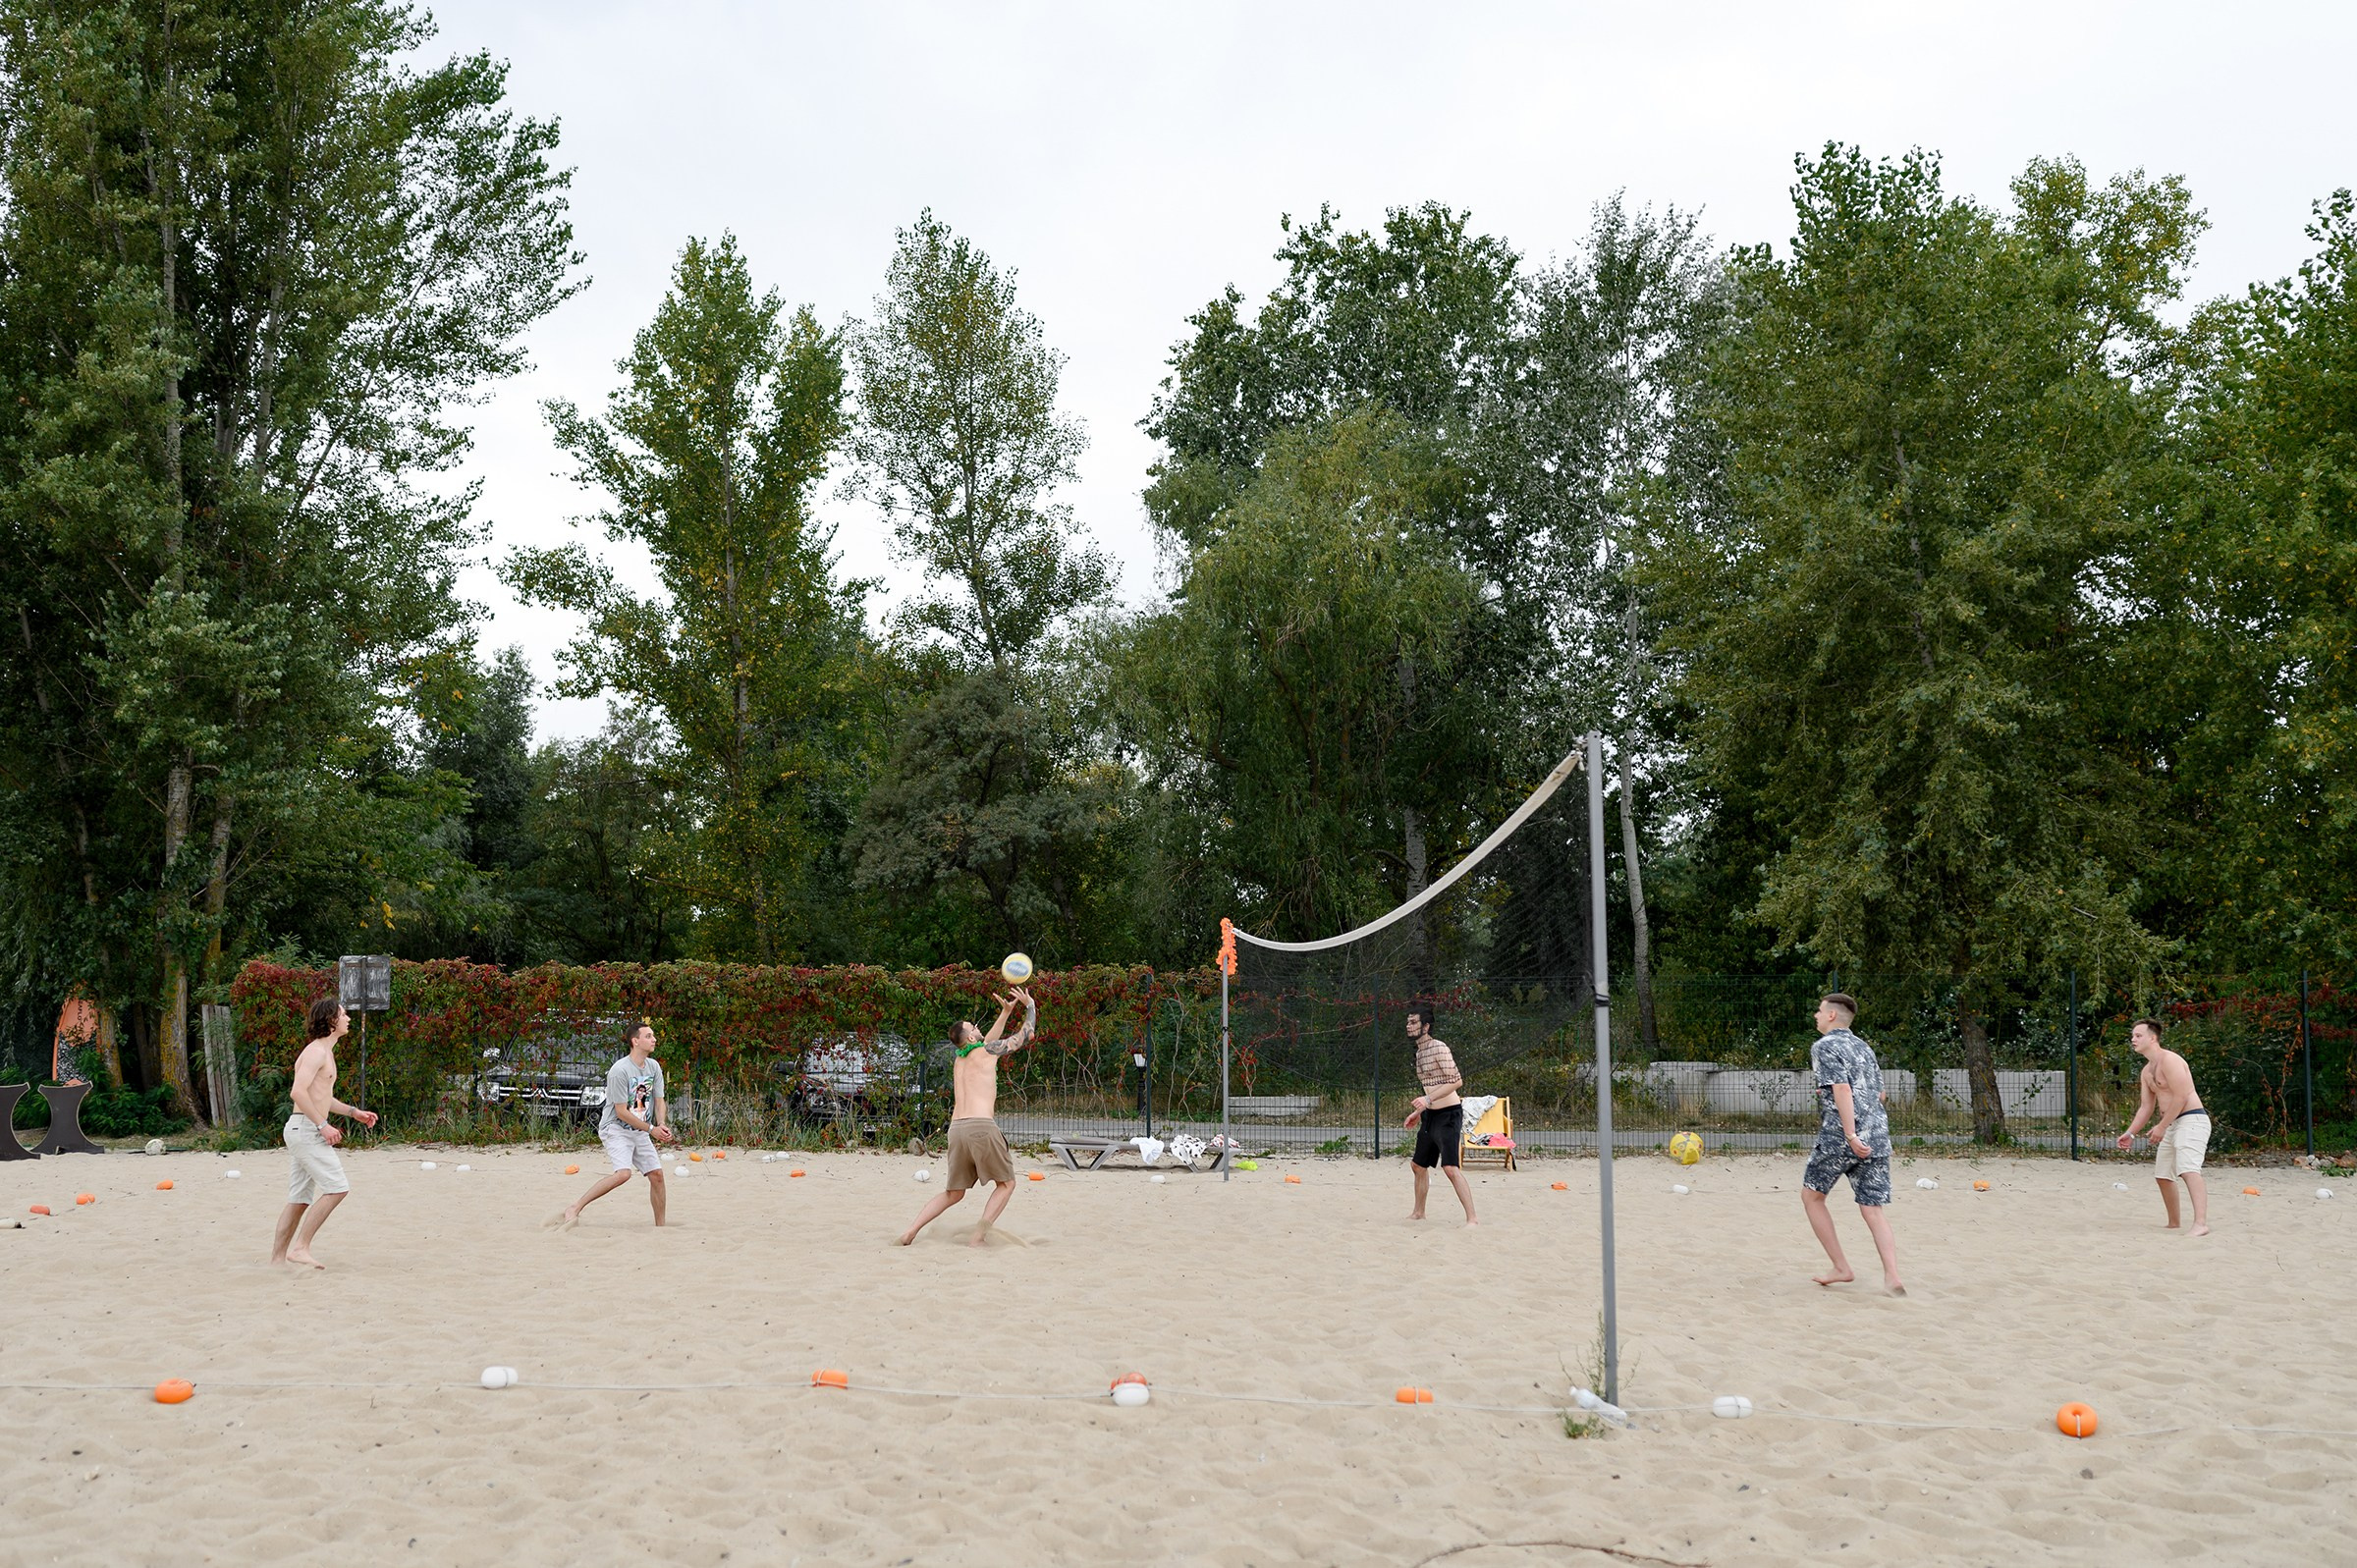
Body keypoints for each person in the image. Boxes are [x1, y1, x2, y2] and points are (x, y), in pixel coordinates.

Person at [898, 988, 1035, 1247]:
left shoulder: (961, 1060)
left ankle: (910, 1231)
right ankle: (977, 1238)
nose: (977, 1027)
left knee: (953, 1193)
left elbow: (987, 1043)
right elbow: (1026, 1036)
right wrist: (1030, 1006)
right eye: (973, 1026)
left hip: (957, 1129)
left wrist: (1005, 1013)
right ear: (971, 1036)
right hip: (980, 1126)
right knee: (1007, 1184)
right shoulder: (986, 1052)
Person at [1799, 993, 1902, 1294]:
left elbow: (1842, 1089)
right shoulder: (1864, 1047)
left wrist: (1850, 1135)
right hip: (1877, 1136)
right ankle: (1893, 1277)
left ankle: (1841, 1267)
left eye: (1819, 1011)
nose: (1816, 1015)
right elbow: (1879, 1094)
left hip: (1841, 1138)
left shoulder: (1824, 1046)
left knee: (1812, 1197)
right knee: (1873, 1209)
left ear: (1832, 1015)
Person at [270, 995, 377, 1269]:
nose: (348, 1018)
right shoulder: (316, 1052)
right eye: (343, 1014)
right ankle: (300, 1248)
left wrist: (353, 1112)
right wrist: (322, 1125)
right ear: (331, 1020)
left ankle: (277, 1261)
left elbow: (322, 1098)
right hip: (306, 1130)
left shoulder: (325, 1052)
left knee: (298, 1200)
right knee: (337, 1188)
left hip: (303, 1129)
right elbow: (298, 1092)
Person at [553, 1020, 678, 1230]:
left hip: (640, 1129)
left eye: (653, 1035)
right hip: (615, 1128)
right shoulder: (619, 1071)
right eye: (648, 1036)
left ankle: (661, 1228)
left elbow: (659, 1100)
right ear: (635, 1041)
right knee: (623, 1174)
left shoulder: (653, 1067)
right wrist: (651, 1130)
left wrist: (661, 1124)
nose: (654, 1039)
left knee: (657, 1175)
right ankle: (575, 1207)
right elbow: (621, 1112)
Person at [2117, 1016, 2209, 1236]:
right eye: (2132, 1036)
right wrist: (2130, 1133)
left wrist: (2161, 1127)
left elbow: (2181, 1096)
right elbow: (2146, 1107)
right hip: (2171, 1123)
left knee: (2188, 1169)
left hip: (2192, 1119)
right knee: (2163, 1175)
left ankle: (2200, 1224)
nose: (2133, 1039)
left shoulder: (2170, 1060)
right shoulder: (2146, 1071)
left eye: (2138, 1035)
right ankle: (2174, 1223)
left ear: (2153, 1038)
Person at [1401, 1006, 1477, 1226]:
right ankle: (1419, 1212)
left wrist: (1427, 1100)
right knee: (1417, 1166)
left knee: (1450, 1169)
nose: (1408, 1026)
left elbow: (1456, 1081)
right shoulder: (1419, 1053)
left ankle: (1472, 1219)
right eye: (1408, 1022)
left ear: (1426, 1027)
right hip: (1430, 1115)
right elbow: (1431, 1088)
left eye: (1413, 1022)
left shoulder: (1439, 1047)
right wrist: (1419, 1111)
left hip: (1449, 1115)